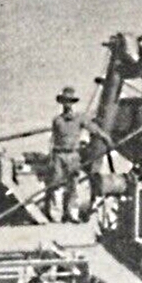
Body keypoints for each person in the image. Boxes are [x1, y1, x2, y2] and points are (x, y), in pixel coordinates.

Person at [48, 86, 113, 222]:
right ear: (62, 103)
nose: (67, 104)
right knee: (57, 186)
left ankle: (72, 214)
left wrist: (105, 137)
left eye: (70, 101)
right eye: (65, 101)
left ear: (73, 103)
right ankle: (56, 215)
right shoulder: (57, 120)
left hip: (73, 155)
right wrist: (51, 156)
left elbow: (93, 129)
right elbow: (53, 139)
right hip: (59, 154)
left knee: (74, 185)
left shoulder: (79, 118)